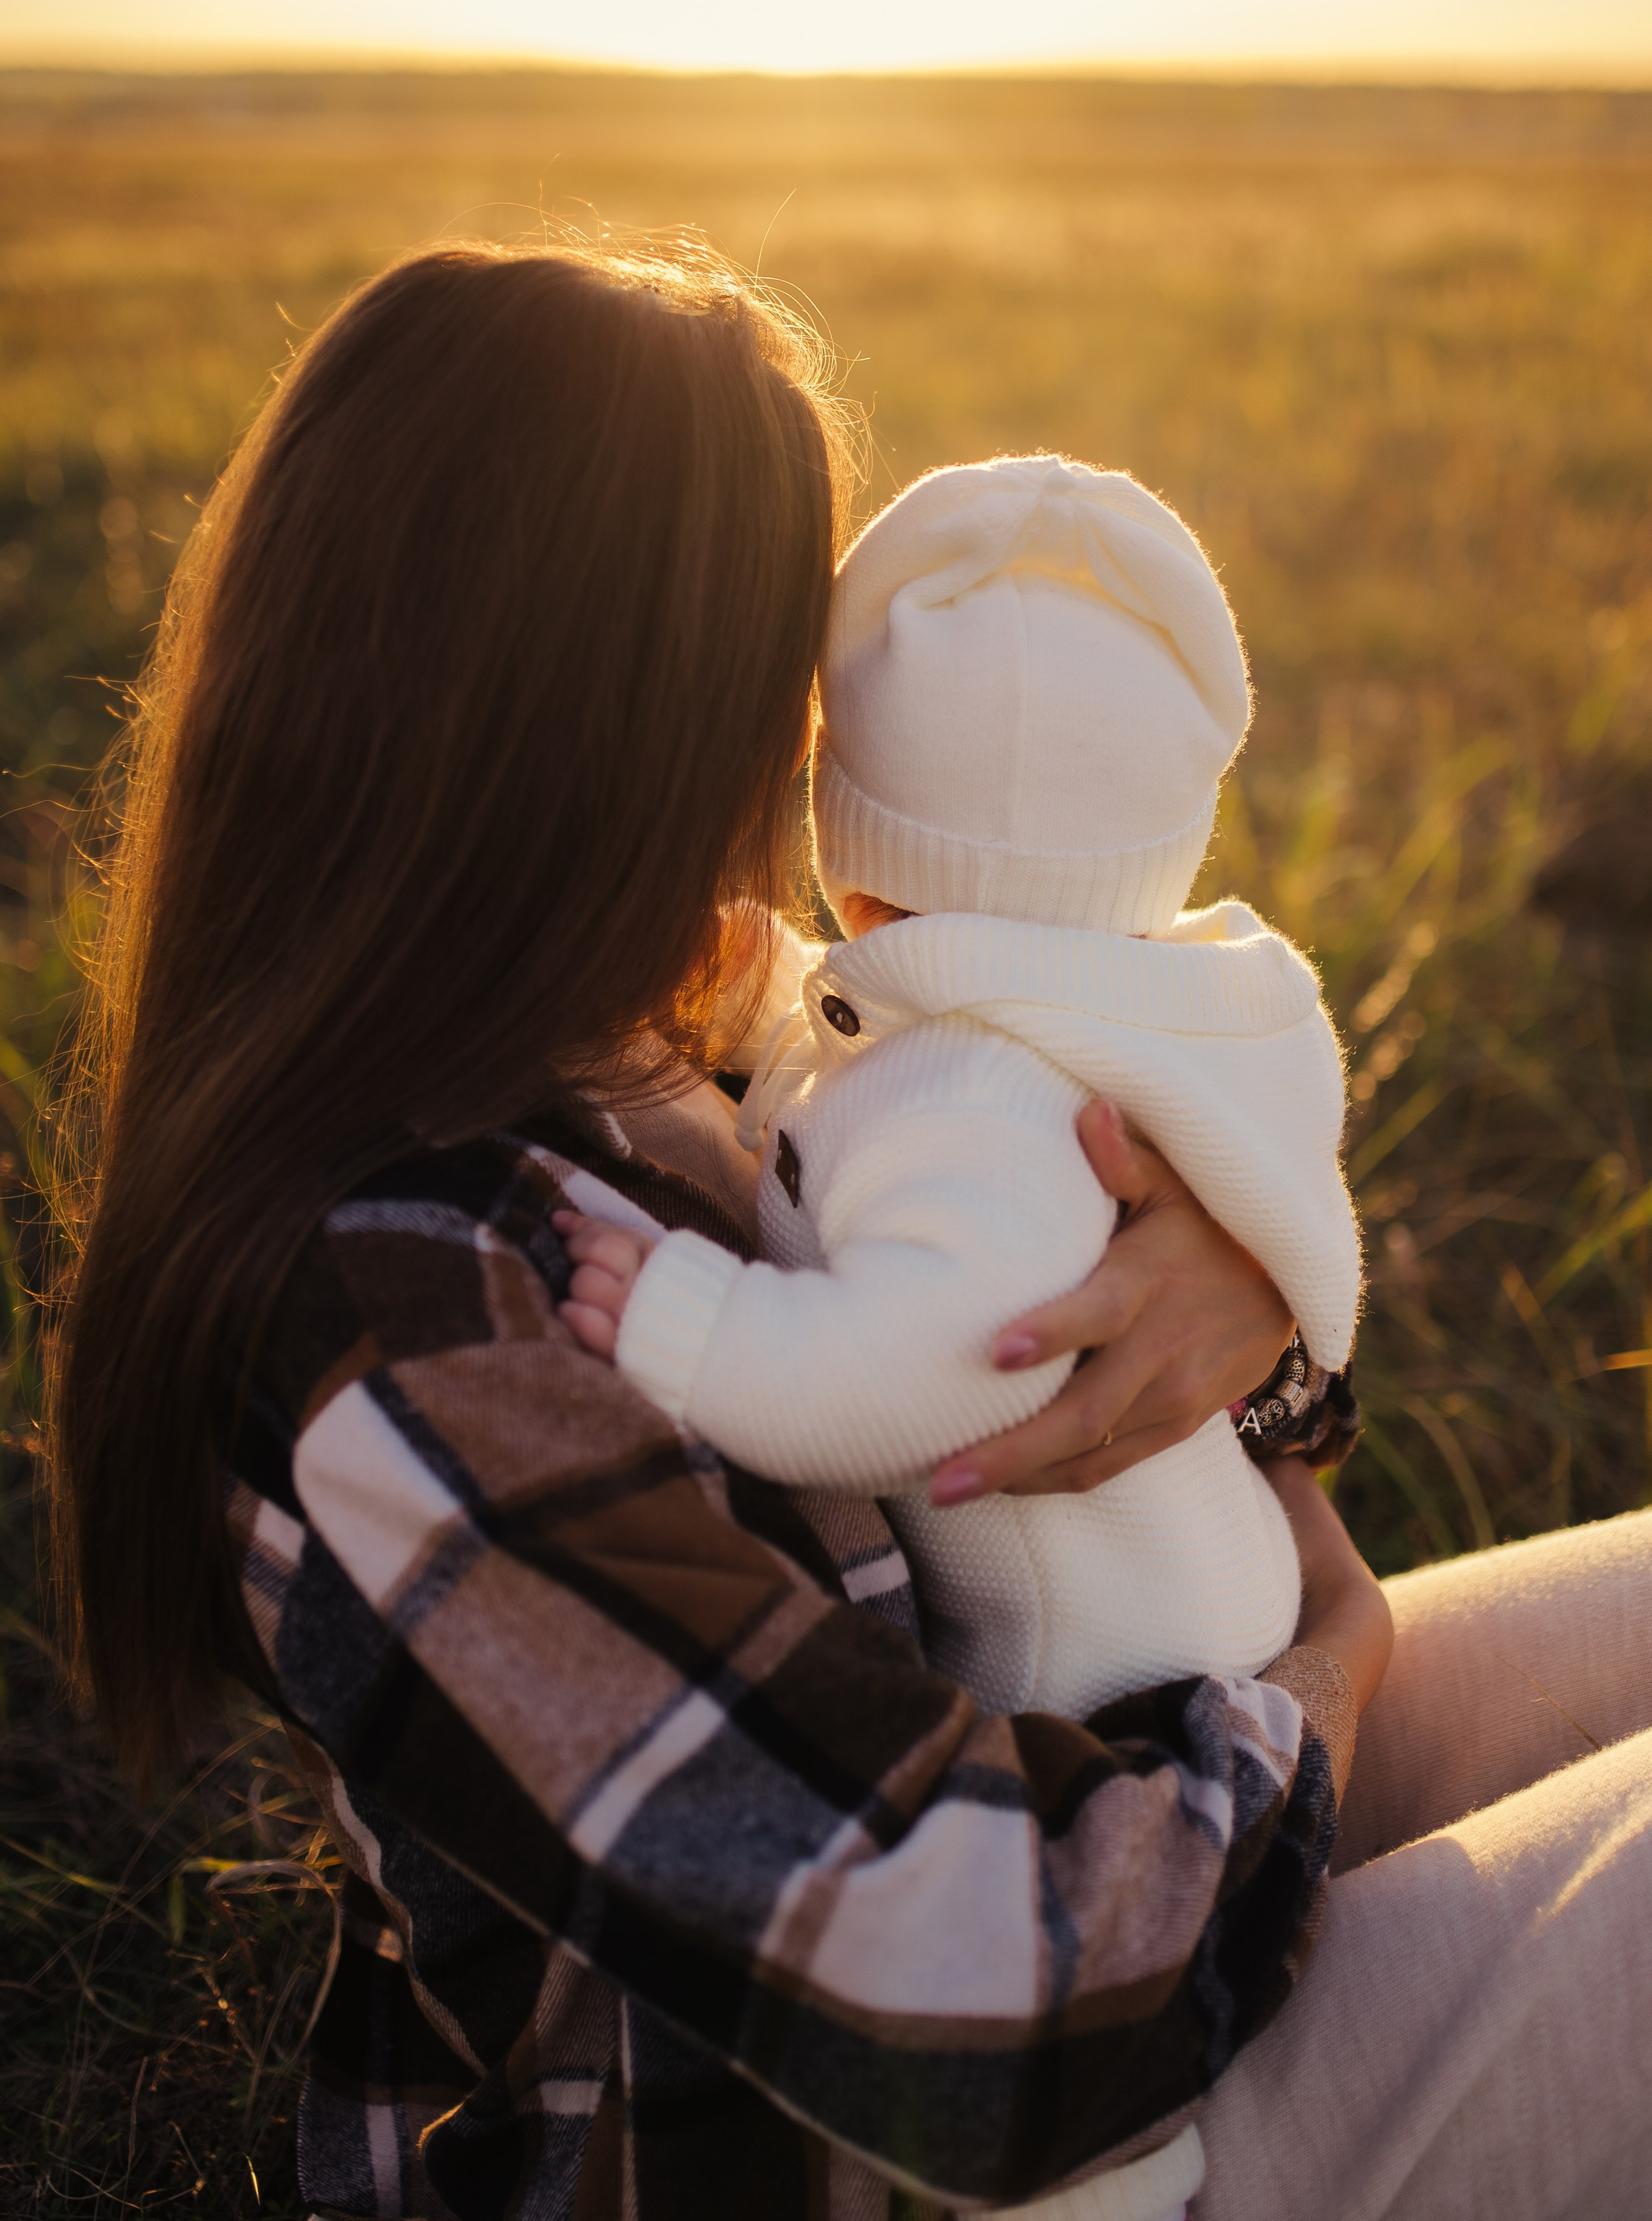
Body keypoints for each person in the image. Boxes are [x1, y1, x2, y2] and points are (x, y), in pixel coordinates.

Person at [46, 239, 1649, 2221]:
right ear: (615, 735)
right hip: (912, 2152)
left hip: (1099, 1807)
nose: (803, 770)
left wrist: (1244, 1290)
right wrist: (1328, 1672)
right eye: (775, 695)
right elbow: (1002, 2023)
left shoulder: (657, 1023)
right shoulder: (397, 1318)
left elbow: (1073, 1180)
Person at [555, 449, 1369, 2221]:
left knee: (1095, 2110)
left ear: (863, 856)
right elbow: (866, 1088)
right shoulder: (1091, 1009)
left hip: (1109, 1695)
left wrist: (702, 1328)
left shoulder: (975, 1098)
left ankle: (1110, 2186)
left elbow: (932, 1352)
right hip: (1205, 1601)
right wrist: (775, 1020)